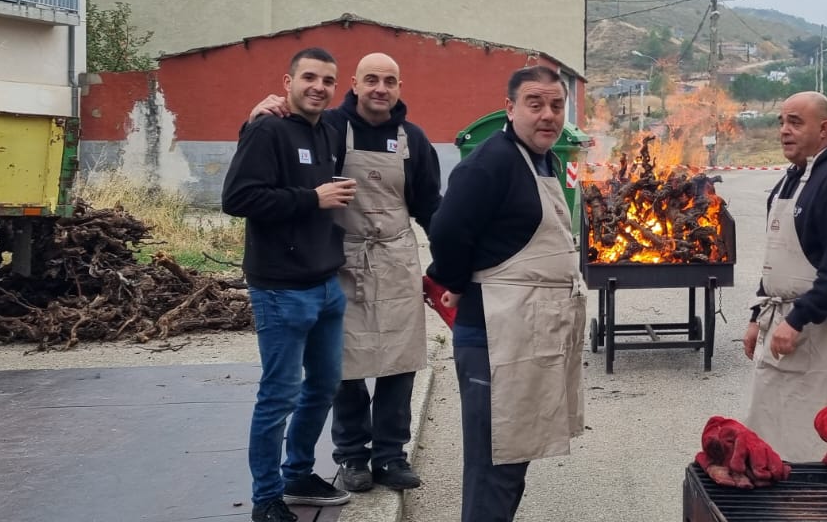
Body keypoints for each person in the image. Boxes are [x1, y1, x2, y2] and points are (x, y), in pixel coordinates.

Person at [247, 52, 442, 493]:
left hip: (395, 260)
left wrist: (449, 261)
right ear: (353, 84)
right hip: (341, 259)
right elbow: (283, 139)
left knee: (400, 362)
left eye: (390, 81)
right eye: (371, 79)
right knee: (345, 367)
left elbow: (430, 206)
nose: (380, 89)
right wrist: (257, 115)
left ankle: (391, 456)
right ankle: (353, 456)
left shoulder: (413, 138)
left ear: (399, 88)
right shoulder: (330, 128)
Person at [426, 65, 586, 522]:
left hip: (528, 334)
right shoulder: (491, 162)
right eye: (535, 104)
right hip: (494, 340)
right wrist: (454, 282)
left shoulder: (544, 160)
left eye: (557, 105)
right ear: (509, 108)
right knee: (493, 464)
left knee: (514, 457)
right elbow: (447, 230)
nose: (548, 115)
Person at [222, 47, 356, 522]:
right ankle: (266, 498)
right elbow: (237, 197)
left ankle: (299, 472)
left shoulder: (331, 130)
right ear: (288, 81)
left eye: (328, 80)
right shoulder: (267, 128)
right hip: (280, 288)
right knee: (279, 394)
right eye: (310, 77)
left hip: (325, 284)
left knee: (323, 386)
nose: (319, 86)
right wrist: (310, 199)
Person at [741, 91, 827, 463]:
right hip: (784, 317)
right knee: (780, 415)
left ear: (824, 129)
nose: (784, 130)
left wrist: (799, 318)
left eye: (795, 122)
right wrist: (757, 316)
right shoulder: (793, 178)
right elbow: (775, 258)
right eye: (781, 122)